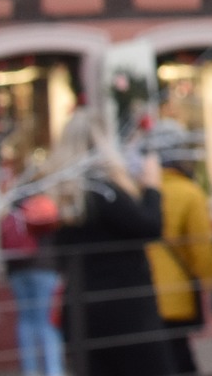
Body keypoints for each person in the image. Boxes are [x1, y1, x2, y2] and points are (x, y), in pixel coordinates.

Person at [47, 109, 174, 376]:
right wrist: (152, 187)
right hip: (125, 310)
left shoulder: (65, 194)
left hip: (83, 308)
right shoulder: (103, 191)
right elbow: (149, 227)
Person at [145, 128, 212, 373]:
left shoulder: (138, 191)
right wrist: (209, 281)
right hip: (176, 290)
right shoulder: (189, 192)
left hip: (141, 289)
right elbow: (201, 246)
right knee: (178, 357)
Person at [0, 169, 63, 376]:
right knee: (46, 321)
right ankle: (52, 370)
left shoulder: (12, 212)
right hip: (43, 268)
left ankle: (30, 371)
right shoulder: (44, 206)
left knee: (26, 321)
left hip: (18, 271)